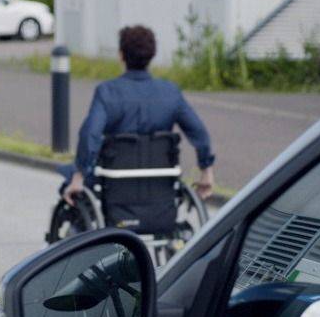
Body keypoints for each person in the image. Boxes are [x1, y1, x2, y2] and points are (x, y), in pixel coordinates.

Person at [62, 25, 216, 206]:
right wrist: (206, 169)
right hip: (159, 182)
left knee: (68, 174)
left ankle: (78, 231)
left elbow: (91, 134)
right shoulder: (170, 93)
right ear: (152, 55)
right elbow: (198, 131)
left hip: (115, 180)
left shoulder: (107, 92)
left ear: (121, 55)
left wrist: (79, 175)